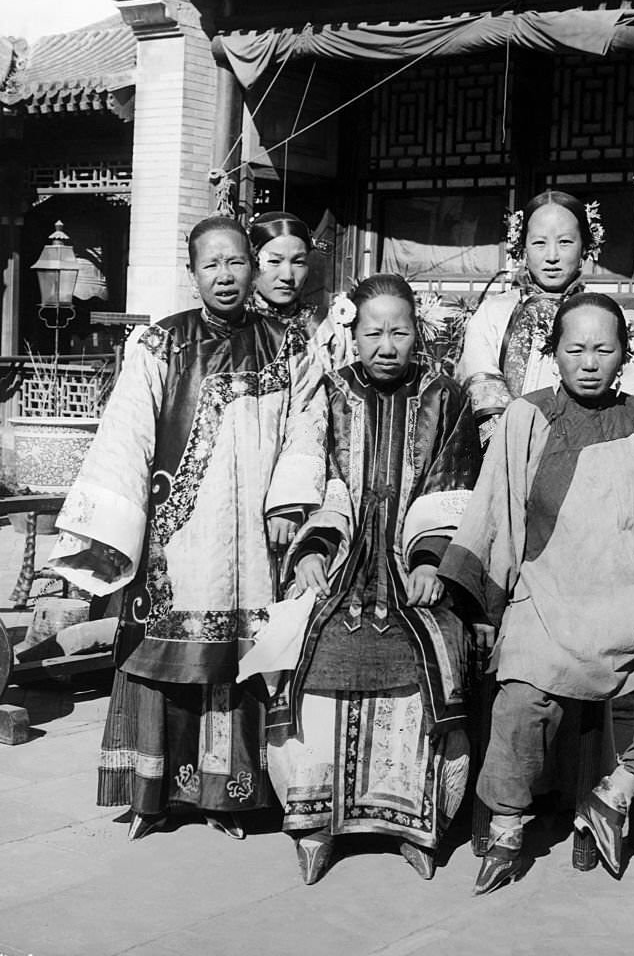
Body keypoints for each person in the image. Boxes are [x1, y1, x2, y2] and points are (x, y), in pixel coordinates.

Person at [49, 215, 326, 841]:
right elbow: (125, 436)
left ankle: (227, 800)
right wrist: (115, 529)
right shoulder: (159, 345)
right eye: (211, 265)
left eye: (235, 262)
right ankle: (152, 798)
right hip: (179, 535)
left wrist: (290, 501)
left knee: (240, 661)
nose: (225, 276)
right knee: (163, 656)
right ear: (193, 272)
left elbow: (308, 426)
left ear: (252, 265)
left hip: (256, 533)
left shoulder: (288, 347)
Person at [439, 292, 634, 894]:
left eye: (604, 348)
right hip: (547, 600)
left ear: (624, 355)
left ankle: (611, 795)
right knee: (520, 708)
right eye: (576, 349)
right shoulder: (527, 416)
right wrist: (491, 607)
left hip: (628, 602)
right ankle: (509, 828)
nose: (590, 361)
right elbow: (497, 513)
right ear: (556, 354)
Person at [265, 273, 482, 884]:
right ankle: (315, 822)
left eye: (399, 331)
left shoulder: (448, 398)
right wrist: (312, 546)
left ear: (419, 335)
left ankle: (414, 823)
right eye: (373, 332)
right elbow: (318, 477)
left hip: (413, 562)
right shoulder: (328, 396)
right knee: (314, 647)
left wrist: (431, 559)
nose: (386, 344)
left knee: (432, 653)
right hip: (343, 558)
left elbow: (453, 486)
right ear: (352, 336)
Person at [457, 190, 634, 450]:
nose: (552, 256)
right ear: (522, 247)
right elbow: (482, 388)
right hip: (504, 450)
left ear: (586, 246)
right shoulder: (494, 313)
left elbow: (631, 396)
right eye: (539, 243)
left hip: (591, 450)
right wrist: (509, 452)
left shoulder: (609, 317)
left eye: (565, 242)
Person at [248, 210, 352, 371]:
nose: (287, 276)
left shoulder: (326, 327)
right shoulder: (235, 326)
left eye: (298, 262)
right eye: (274, 261)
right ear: (253, 262)